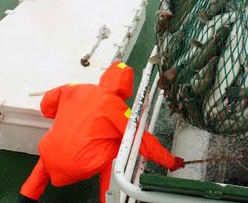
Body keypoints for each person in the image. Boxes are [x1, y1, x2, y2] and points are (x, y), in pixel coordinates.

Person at [17, 61, 185, 203]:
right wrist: (170, 161)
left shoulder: (74, 88)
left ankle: (26, 198)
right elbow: (143, 140)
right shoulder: (120, 110)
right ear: (127, 87)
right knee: (118, 145)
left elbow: (47, 103)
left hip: (50, 154)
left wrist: (62, 113)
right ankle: (108, 198)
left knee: (49, 153)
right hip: (78, 166)